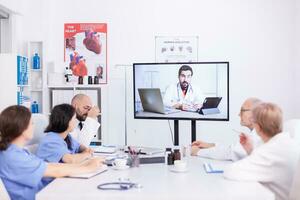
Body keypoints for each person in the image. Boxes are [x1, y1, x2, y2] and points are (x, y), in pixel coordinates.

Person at [0, 105, 104, 200]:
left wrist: (86, 164)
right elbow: (55, 170)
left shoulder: (17, 152)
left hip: (46, 191)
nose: (34, 126)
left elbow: (50, 166)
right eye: (31, 123)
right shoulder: (13, 156)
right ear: (21, 127)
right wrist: (88, 167)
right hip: (42, 194)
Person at [223, 102, 300, 200]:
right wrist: (251, 150)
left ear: (258, 127)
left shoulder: (270, 151)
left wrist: (253, 153)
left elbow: (231, 171)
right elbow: (267, 167)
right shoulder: (288, 142)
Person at [191, 98, 262, 161]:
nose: (239, 114)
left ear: (254, 113)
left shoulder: (257, 137)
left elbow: (230, 152)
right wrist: (209, 145)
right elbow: (231, 149)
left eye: (242, 110)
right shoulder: (257, 133)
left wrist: (197, 151)